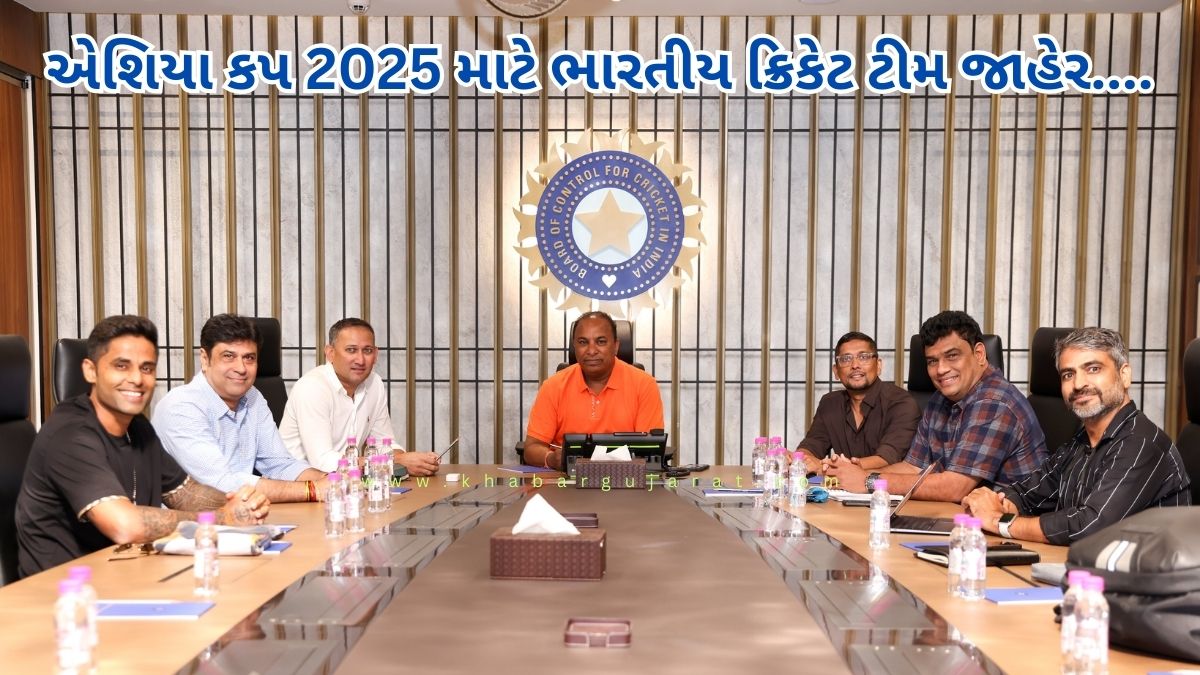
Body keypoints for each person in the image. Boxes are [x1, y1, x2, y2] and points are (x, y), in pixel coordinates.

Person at [15, 315, 270, 577]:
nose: (137, 378)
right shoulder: (70, 434)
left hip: (125, 575)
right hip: (64, 590)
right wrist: (221, 518)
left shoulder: (137, 427)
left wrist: (241, 504)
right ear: (90, 370)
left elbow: (184, 493)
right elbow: (125, 525)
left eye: (147, 368)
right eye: (121, 366)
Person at [962, 327, 1190, 544]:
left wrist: (998, 521)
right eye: (1068, 374)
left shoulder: (1140, 443)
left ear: (1124, 375)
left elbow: (1089, 525)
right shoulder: (1080, 442)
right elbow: (1029, 493)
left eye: (1093, 369)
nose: (1078, 384)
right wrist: (993, 504)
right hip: (1084, 562)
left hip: (1144, 570)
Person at [825, 310, 1046, 501]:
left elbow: (954, 487)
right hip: (960, 515)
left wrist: (868, 480)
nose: (941, 370)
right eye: (932, 361)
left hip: (1011, 523)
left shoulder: (995, 402)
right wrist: (857, 473)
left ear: (979, 354)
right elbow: (913, 466)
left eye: (952, 356)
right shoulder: (940, 399)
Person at [153, 314, 328, 502]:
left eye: (249, 358)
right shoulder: (181, 407)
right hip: (193, 518)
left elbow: (279, 464)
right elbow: (221, 484)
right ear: (205, 359)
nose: (241, 368)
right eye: (228, 356)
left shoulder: (253, 397)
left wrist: (332, 481)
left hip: (243, 512)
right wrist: (312, 490)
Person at [279, 318, 439, 475]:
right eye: (351, 350)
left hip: (346, 482)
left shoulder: (374, 383)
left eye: (367, 351)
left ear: (376, 354)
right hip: (298, 483)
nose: (360, 360)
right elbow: (323, 461)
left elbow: (383, 444)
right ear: (330, 353)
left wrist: (413, 461)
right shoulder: (312, 387)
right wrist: (395, 461)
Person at [523, 311, 664, 471]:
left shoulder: (645, 385)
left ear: (616, 346)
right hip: (566, 479)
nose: (591, 350)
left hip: (626, 479)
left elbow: (649, 449)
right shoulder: (553, 386)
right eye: (583, 342)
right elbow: (531, 448)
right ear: (575, 346)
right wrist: (551, 458)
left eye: (601, 342)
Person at [793, 331, 920, 474]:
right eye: (846, 359)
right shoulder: (830, 403)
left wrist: (837, 467)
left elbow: (888, 456)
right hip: (842, 486)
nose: (855, 365)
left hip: (887, 484)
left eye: (863, 357)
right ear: (836, 371)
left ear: (878, 365)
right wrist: (799, 460)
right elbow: (812, 444)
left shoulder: (902, 403)